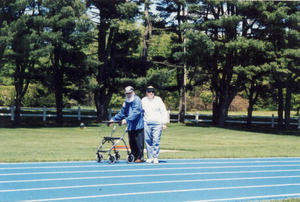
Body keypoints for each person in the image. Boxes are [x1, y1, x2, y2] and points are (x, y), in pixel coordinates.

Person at [110, 86, 145, 163]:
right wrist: (113, 119)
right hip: (130, 126)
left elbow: (136, 112)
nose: (128, 95)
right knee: (132, 142)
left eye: (129, 93)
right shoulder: (126, 101)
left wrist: (127, 119)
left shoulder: (137, 100)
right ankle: (133, 156)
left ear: (133, 92)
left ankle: (140, 157)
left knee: (139, 143)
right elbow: (122, 113)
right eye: (127, 93)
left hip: (138, 125)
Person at [142, 86, 168, 164]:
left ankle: (155, 156)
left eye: (152, 92)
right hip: (147, 123)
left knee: (156, 140)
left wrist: (164, 123)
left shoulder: (158, 100)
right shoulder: (143, 100)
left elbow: (163, 111)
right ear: (146, 92)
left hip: (157, 123)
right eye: (149, 92)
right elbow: (137, 108)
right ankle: (150, 157)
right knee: (148, 140)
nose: (151, 93)